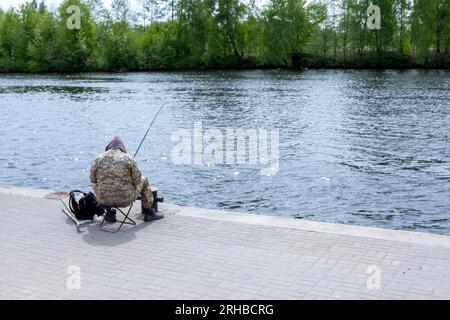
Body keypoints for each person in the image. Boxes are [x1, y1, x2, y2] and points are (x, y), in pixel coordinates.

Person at [90, 135, 164, 222]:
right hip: (125, 199)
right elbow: (137, 181)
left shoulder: (98, 158)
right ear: (122, 147)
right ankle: (150, 212)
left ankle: (109, 214)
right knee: (144, 180)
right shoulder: (128, 158)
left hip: (103, 200)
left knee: (98, 185)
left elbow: (93, 179)